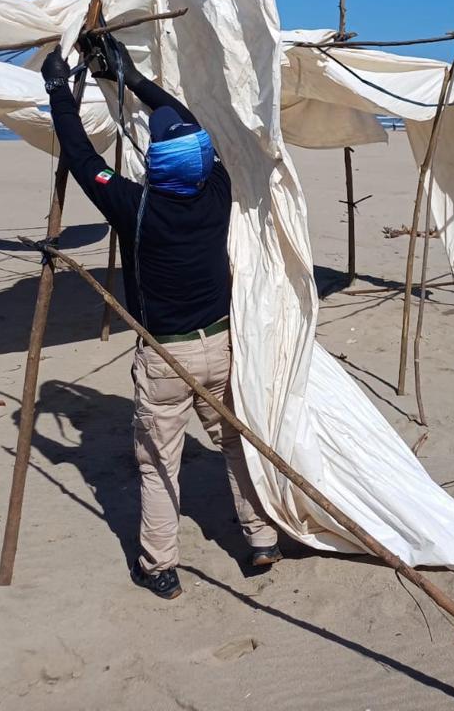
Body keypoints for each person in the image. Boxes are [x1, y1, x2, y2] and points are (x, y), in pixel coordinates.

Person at [40, 38, 280, 601]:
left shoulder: (134, 205)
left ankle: (160, 566)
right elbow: (191, 124)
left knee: (157, 464)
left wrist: (59, 94)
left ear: (154, 167)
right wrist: (133, 78)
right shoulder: (217, 190)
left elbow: (81, 158)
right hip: (220, 346)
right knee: (234, 443)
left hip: (165, 356)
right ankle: (260, 537)